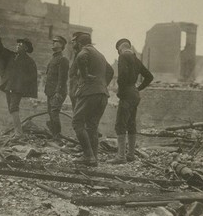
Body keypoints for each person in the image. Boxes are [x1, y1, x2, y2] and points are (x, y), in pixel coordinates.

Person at [108, 38, 153, 164]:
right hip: (134, 93)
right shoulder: (136, 59)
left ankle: (121, 157)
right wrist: (138, 88)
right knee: (131, 124)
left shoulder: (123, 56)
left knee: (120, 124)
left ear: (120, 48)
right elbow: (149, 76)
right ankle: (131, 155)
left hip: (127, 94)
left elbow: (122, 75)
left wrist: (121, 92)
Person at [72, 33, 114, 166]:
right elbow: (111, 71)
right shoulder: (99, 54)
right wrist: (102, 85)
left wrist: (85, 76)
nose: (72, 44)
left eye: (73, 42)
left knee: (77, 123)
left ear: (79, 43)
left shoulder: (84, 51)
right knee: (92, 126)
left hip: (89, 93)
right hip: (102, 94)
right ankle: (93, 157)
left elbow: (81, 57)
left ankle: (88, 156)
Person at [0, 26, 38, 137]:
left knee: (13, 107)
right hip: (9, 86)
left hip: (18, 88)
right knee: (11, 109)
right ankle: (17, 130)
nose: (17, 46)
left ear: (26, 48)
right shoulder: (12, 56)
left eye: (20, 45)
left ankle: (18, 133)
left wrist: (25, 87)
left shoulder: (29, 61)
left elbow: (31, 77)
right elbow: (1, 50)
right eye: (17, 44)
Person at [44, 36, 69, 139]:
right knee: (51, 113)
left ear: (62, 45)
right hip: (50, 91)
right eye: (53, 41)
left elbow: (62, 78)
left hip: (57, 92)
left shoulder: (63, 59)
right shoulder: (53, 59)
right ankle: (54, 135)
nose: (53, 43)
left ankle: (57, 136)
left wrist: (58, 92)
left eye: (56, 42)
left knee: (54, 113)